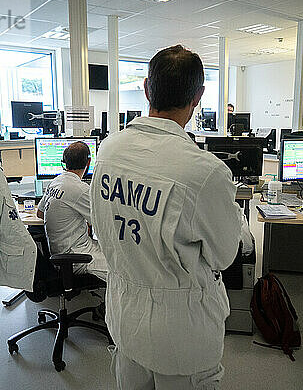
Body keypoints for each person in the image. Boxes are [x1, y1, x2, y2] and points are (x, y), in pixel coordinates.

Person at [90, 45, 253, 389]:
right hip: (182, 332)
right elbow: (224, 257)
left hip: (124, 316)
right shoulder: (205, 172)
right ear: (199, 96)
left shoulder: (108, 150)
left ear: (147, 88)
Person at [36, 141, 108, 281]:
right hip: (77, 257)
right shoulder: (80, 189)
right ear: (88, 162)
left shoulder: (55, 182)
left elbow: (40, 213)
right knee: (121, 266)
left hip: (60, 253)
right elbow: (104, 223)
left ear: (64, 161)